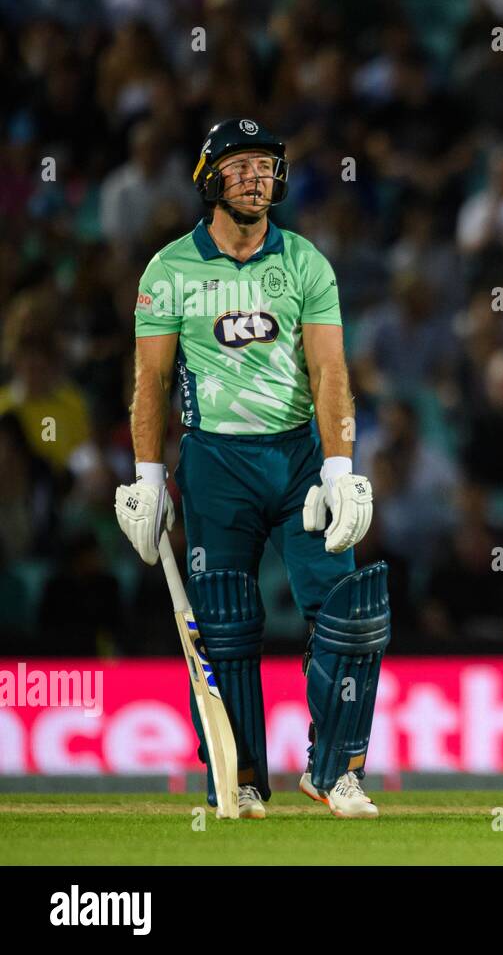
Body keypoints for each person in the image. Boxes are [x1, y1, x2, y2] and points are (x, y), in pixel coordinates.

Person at [113, 119, 389, 819]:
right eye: (238, 167)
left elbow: (329, 369)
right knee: (227, 626)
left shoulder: (305, 263)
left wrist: (338, 466)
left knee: (349, 614)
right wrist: (147, 478)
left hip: (298, 455)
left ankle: (336, 772)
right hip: (215, 463)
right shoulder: (170, 269)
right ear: (210, 178)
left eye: (265, 166)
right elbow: (151, 379)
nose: (255, 178)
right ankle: (237, 779)